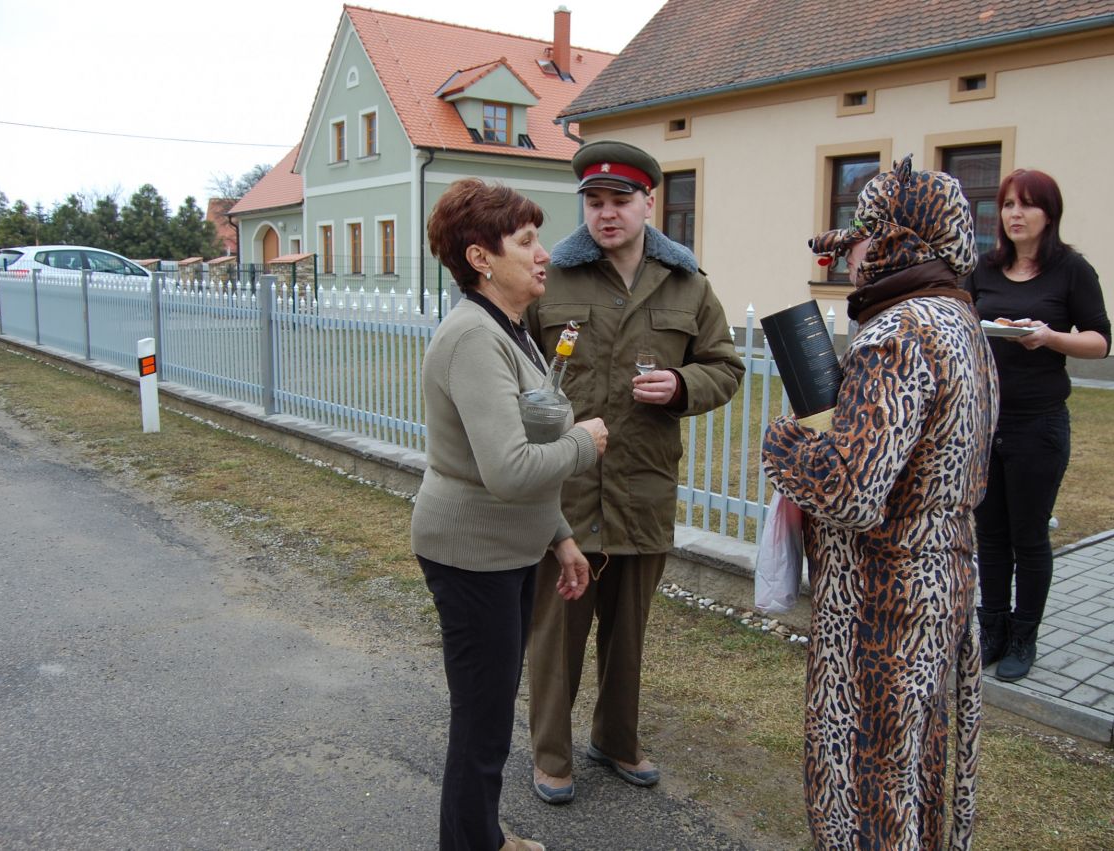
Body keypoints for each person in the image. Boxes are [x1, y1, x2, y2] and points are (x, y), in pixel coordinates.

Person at [764, 156, 998, 849]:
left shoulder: (898, 333)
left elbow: (851, 488)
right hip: (937, 580)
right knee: (908, 773)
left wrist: (783, 444)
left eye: (861, 235)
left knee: (865, 784)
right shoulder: (960, 322)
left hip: (881, 598)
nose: (849, 252)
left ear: (897, 241)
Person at [524, 140, 744, 804]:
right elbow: (512, 359)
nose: (606, 214)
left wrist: (681, 385)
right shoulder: (550, 278)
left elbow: (726, 366)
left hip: (642, 486)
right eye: (594, 202)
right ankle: (551, 754)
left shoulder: (688, 285)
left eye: (620, 201)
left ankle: (616, 740)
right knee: (558, 635)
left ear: (649, 202)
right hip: (565, 488)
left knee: (627, 638)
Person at [413, 178, 608, 851]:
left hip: (509, 550)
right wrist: (585, 441)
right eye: (526, 241)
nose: (543, 253)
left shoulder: (509, 329)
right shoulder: (475, 338)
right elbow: (509, 467)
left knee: (490, 714)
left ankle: (482, 836)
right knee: (482, 722)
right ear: (481, 259)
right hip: (473, 556)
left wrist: (560, 537)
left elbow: (515, 452)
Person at [965, 169, 1112, 682]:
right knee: (991, 535)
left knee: (1028, 537)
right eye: (1008, 204)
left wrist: (1049, 337)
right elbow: (961, 325)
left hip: (1039, 425)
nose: (1015, 214)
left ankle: (1024, 638)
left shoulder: (1071, 270)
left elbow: (1099, 341)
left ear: (1049, 214)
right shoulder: (983, 268)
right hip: (985, 422)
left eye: (1026, 205)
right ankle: (992, 630)